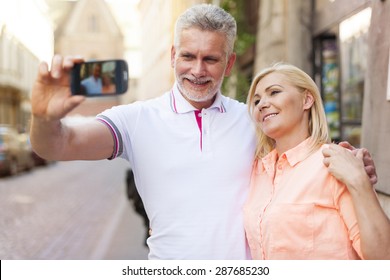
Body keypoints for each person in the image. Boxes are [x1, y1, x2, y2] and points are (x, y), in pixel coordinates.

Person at [30, 4, 376, 260]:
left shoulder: (254, 119)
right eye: (188, 56)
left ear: (228, 63)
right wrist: (44, 118)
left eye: (211, 59)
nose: (197, 70)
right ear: (172, 56)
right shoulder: (135, 119)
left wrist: (349, 164)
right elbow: (59, 144)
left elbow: (301, 154)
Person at [244, 62, 390, 259]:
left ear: (307, 100)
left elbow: (382, 258)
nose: (262, 104)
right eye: (256, 101)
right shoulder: (255, 171)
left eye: (274, 92)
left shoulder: (335, 163)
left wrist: (358, 180)